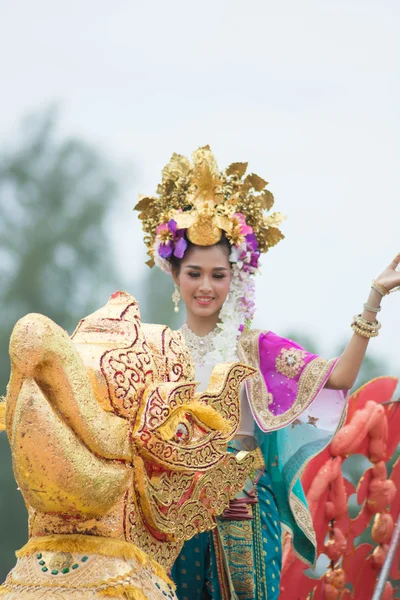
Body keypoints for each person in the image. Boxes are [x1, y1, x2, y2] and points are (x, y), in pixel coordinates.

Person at [135, 146, 400, 600]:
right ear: (174, 273)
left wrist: (373, 300)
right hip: (169, 518)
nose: (205, 286)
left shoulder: (255, 348)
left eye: (218, 275)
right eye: (194, 273)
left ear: (234, 278)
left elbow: (338, 378)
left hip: (243, 510)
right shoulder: (152, 349)